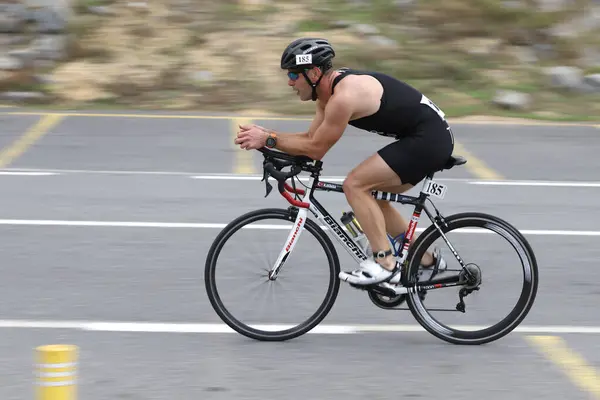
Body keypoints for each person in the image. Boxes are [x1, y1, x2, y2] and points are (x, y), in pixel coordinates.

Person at [234, 37, 451, 287]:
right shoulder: (327, 96)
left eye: (294, 75)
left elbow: (316, 148)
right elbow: (310, 138)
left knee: (355, 185)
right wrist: (269, 140)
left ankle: (385, 264)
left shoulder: (342, 98)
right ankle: (427, 260)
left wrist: (267, 139)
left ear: (314, 73)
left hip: (428, 139)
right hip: (425, 137)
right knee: (375, 196)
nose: (289, 82)